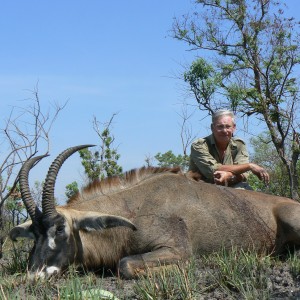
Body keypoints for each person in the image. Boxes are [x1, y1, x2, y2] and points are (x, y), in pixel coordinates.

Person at [189, 110, 270, 189]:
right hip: (201, 187)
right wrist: (249, 166)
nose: (224, 131)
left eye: (228, 126)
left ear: (234, 127)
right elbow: (213, 170)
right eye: (220, 127)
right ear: (212, 127)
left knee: (244, 190)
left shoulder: (239, 145)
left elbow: (244, 174)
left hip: (230, 185)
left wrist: (229, 176)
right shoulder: (199, 145)